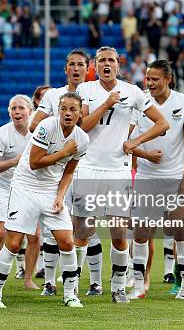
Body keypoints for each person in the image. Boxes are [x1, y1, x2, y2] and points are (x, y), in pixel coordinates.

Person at [72, 48, 169, 303]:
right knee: (82, 230)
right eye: (102, 60)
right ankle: (72, 289)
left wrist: (134, 141)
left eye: (111, 60)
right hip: (88, 167)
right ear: (95, 65)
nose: (107, 64)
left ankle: (118, 288)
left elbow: (162, 124)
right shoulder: (85, 90)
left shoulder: (134, 92)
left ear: (119, 64)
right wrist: (106, 104)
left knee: (119, 232)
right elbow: (82, 126)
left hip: (118, 170)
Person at [0, 92, 89, 308]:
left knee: (67, 241)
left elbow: (69, 173)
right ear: (58, 110)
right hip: (25, 187)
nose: (67, 113)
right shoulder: (46, 127)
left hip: (51, 191)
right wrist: (64, 152)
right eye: (63, 109)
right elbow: (35, 162)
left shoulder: (82, 139)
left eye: (73, 109)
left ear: (81, 113)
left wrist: (60, 197)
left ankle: (70, 295)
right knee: (13, 243)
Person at [29, 49, 102, 296]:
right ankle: (50, 282)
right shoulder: (53, 95)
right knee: (53, 226)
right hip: (57, 171)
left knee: (86, 228)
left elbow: (86, 126)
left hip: (89, 166)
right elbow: (32, 124)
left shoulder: (94, 92)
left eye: (81, 64)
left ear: (88, 67)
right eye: (71, 64)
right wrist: (54, 127)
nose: (76, 68)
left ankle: (92, 281)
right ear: (65, 69)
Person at [127, 60, 184, 300]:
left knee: (179, 231)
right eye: (148, 79)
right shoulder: (139, 102)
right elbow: (127, 142)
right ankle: (138, 285)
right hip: (147, 176)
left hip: (175, 177)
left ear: (168, 79)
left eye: (155, 79)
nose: (150, 83)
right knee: (141, 233)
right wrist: (145, 154)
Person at [0, 95, 40, 290]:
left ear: (30, 111)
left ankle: (27, 279)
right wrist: (15, 161)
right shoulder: (2, 133)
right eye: (13, 108)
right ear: (9, 112)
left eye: (21, 108)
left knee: (34, 235)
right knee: (1, 233)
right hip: (3, 186)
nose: (17, 112)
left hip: (28, 188)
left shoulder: (38, 133)